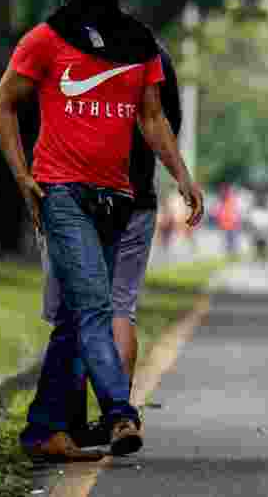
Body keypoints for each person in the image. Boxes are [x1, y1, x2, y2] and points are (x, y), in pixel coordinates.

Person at [0, 0, 204, 462]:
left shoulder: (139, 44)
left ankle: (42, 430)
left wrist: (182, 175)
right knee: (93, 307)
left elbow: (152, 117)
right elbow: (4, 106)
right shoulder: (44, 39)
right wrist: (23, 176)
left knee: (74, 317)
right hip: (62, 193)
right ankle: (119, 413)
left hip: (118, 196)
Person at [40, 35, 182, 448]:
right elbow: (164, 123)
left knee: (73, 308)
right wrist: (180, 177)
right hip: (135, 197)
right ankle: (117, 419)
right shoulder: (153, 52)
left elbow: (31, 113)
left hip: (69, 193)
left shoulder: (54, 45)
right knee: (120, 306)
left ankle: (71, 421)